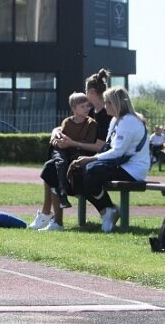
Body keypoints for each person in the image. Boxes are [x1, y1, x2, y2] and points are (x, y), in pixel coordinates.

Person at [30, 69, 113, 231]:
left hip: (94, 158)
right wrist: (57, 133)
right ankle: (52, 217)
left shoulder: (104, 114)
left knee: (51, 167)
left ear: (90, 92)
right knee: (52, 164)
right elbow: (66, 125)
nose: (85, 105)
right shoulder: (94, 111)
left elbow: (99, 146)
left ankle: (52, 217)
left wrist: (71, 143)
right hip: (80, 155)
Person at [68, 86, 149, 233]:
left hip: (133, 169)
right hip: (119, 164)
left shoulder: (129, 121)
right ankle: (107, 210)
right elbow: (109, 147)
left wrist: (91, 159)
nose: (105, 106)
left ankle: (108, 210)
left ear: (115, 104)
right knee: (78, 172)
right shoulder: (115, 121)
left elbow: (118, 152)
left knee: (91, 171)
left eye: (107, 103)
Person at [44, 92, 97, 214]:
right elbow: (60, 136)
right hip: (64, 151)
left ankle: (62, 191)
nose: (86, 109)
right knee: (60, 160)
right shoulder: (67, 122)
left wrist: (70, 143)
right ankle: (62, 192)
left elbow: (87, 143)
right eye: (82, 106)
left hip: (78, 152)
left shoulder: (91, 124)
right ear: (73, 108)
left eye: (87, 106)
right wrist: (59, 142)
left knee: (66, 160)